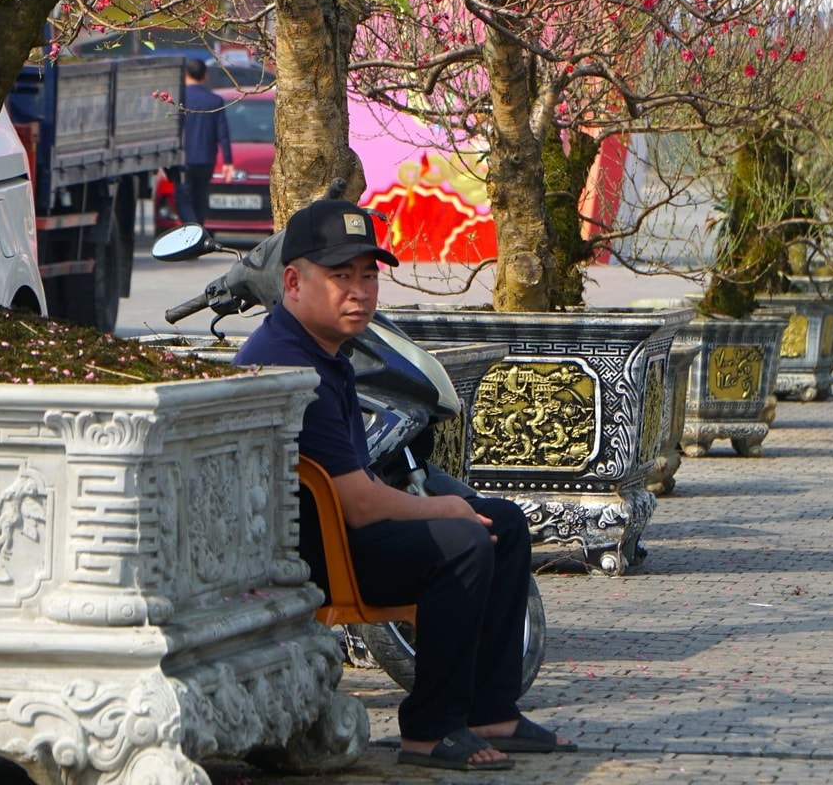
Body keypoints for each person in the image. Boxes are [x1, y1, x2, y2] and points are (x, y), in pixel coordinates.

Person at [235, 199, 575, 772]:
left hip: (339, 533)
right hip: (313, 556)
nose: (360, 291)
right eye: (341, 276)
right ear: (293, 281)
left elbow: (360, 486)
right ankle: (430, 729)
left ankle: (492, 711)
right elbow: (360, 503)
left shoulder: (320, 350)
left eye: (369, 276)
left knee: (505, 523)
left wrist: (455, 507)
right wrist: (445, 507)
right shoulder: (290, 365)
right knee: (465, 542)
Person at [175, 57, 232, 225]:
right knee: (200, 198)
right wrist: (228, 161)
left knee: (183, 199)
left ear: (185, 75)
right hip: (206, 159)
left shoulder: (179, 101)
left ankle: (194, 230)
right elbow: (223, 133)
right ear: (205, 76)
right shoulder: (214, 101)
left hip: (183, 160)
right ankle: (198, 231)